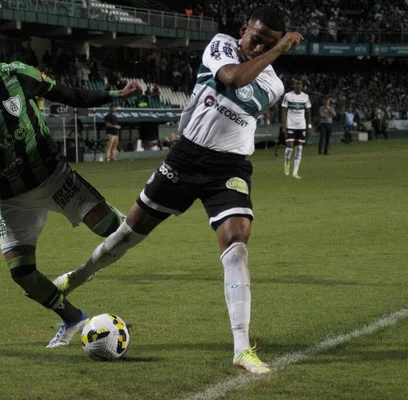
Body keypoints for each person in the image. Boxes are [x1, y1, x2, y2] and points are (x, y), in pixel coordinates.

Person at [53, 6, 303, 374]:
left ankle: (241, 348)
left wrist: (269, 54)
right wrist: (278, 49)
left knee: (236, 245)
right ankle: (78, 276)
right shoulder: (220, 46)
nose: (257, 47)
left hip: (228, 167)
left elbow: (243, 86)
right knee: (127, 235)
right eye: (255, 38)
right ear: (243, 29)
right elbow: (232, 79)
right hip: (185, 158)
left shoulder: (275, 85)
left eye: (266, 43)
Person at [0, 22, 142, 348]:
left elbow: (69, 94)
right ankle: (72, 318)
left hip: (54, 176)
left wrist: (116, 93)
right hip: (11, 196)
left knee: (119, 233)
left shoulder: (17, 75)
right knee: (22, 273)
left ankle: (76, 276)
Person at [281, 78, 311, 178]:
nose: (298, 85)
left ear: (302, 85)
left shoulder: (305, 97)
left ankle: (295, 173)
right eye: (296, 83)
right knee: (290, 147)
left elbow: (308, 112)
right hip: (291, 124)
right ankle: (286, 162)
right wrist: (284, 125)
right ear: (293, 85)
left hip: (301, 125)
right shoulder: (288, 96)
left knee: (299, 148)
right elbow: (284, 111)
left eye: (300, 83)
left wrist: (309, 126)